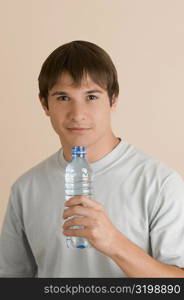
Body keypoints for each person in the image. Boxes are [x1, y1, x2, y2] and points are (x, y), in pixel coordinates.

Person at [0, 40, 184, 278]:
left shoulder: (160, 183)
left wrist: (114, 243)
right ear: (45, 104)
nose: (78, 114)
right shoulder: (26, 188)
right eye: (63, 98)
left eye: (92, 96)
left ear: (113, 100)